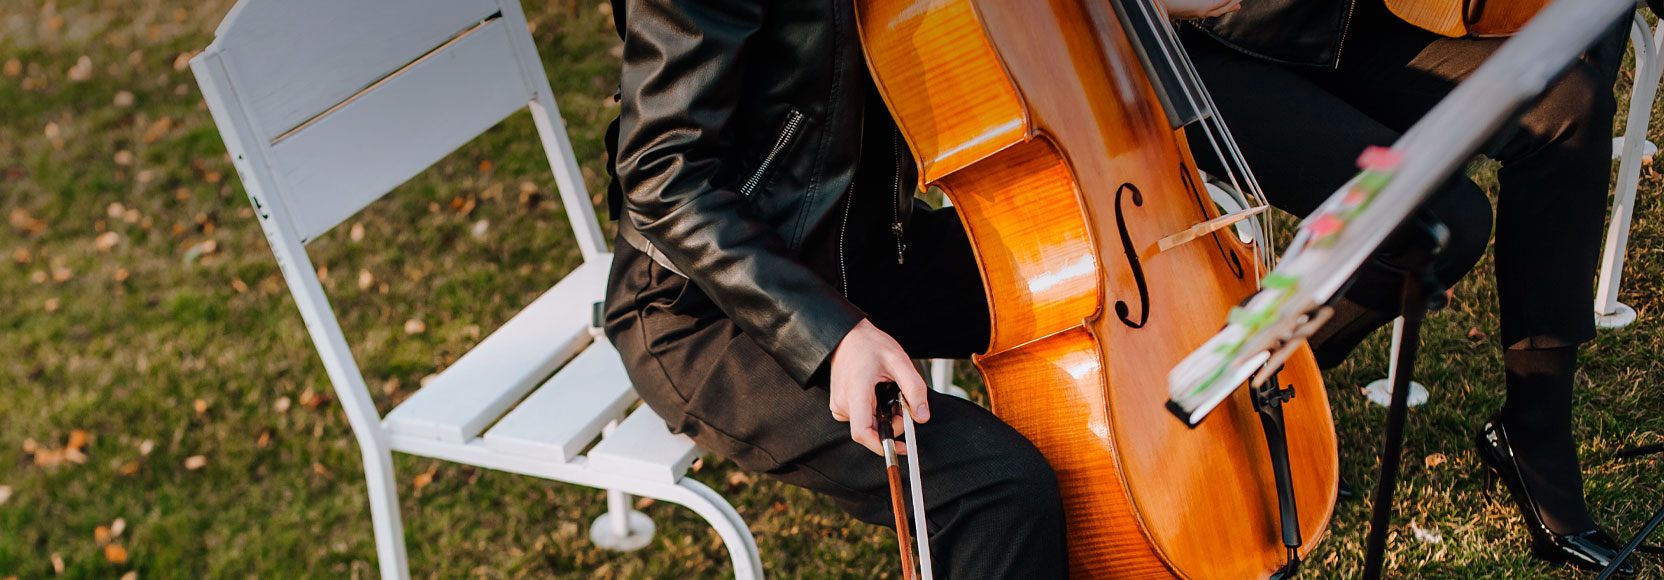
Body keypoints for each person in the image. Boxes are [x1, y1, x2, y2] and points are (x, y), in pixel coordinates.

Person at [597, 0, 1247, 575]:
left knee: (1103, 274)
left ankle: (1192, 518)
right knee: (997, 489)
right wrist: (832, 336)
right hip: (709, 310)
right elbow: (662, 177)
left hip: (873, 246)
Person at [1183, 0, 1637, 573]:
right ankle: (1245, 391)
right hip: (1208, 45)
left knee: (1568, 105)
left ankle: (1535, 438)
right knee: (1442, 223)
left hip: (1344, 20)